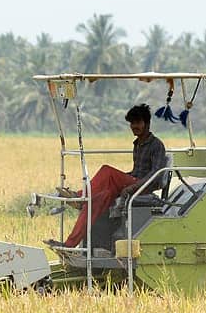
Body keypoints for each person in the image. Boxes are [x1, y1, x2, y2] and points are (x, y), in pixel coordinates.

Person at [47, 103, 167, 249]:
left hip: (143, 187)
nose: (134, 126)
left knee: (107, 171)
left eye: (138, 122)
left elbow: (156, 176)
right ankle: (70, 243)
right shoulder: (137, 144)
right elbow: (135, 172)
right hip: (133, 182)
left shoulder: (156, 145)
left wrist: (131, 187)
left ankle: (79, 196)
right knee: (94, 202)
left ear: (147, 123)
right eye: (132, 123)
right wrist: (124, 180)